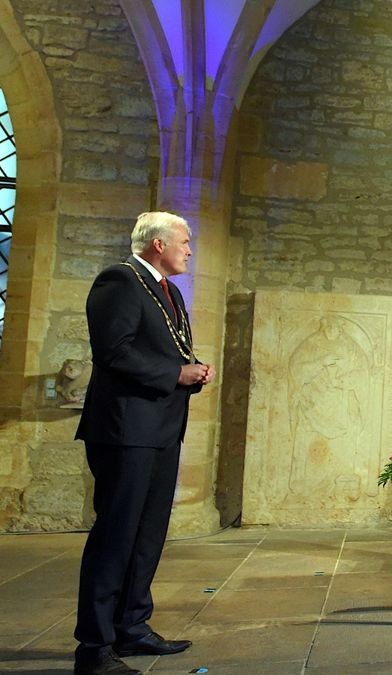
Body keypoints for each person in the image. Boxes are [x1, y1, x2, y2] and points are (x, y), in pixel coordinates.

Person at [73, 211, 216, 675]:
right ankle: (94, 648)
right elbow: (114, 351)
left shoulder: (169, 291)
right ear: (158, 244)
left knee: (147, 534)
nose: (190, 249)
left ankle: (132, 627)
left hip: (160, 429)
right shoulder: (119, 280)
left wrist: (192, 371)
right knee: (116, 536)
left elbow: (164, 347)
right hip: (125, 430)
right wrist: (176, 373)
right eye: (185, 242)